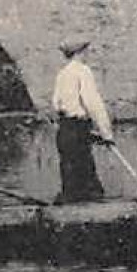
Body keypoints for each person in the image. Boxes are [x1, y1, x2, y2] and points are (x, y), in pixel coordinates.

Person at [50, 38, 114, 204]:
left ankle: (70, 207)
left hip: (65, 129)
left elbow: (56, 104)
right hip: (78, 128)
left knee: (70, 175)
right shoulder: (83, 71)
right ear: (80, 53)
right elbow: (92, 103)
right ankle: (92, 213)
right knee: (87, 180)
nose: (88, 54)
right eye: (86, 51)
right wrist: (106, 133)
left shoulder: (62, 73)